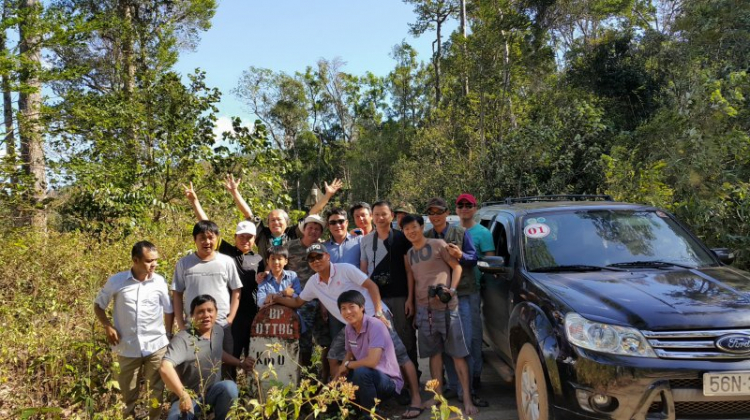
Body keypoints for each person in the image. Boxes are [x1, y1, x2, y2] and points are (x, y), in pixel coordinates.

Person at [270, 244, 424, 419]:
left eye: (319, 256)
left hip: (375, 317)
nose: (316, 261)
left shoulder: (345, 269)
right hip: (351, 325)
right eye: (311, 259)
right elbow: (298, 302)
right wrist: (276, 297)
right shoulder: (314, 282)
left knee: (400, 356)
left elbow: (372, 286)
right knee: (333, 355)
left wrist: (379, 312)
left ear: (327, 256)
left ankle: (414, 398)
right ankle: (342, 398)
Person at [401, 214, 478, 415]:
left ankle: (467, 399)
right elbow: (414, 279)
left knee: (458, 354)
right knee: (434, 355)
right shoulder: (409, 254)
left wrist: (451, 290)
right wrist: (412, 301)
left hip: (447, 308)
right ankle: (438, 398)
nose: (411, 231)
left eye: (414, 227)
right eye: (406, 229)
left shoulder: (438, 244)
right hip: (424, 309)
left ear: (421, 226)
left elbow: (457, 267)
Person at [184, 178, 263, 374]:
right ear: (235, 237)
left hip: (253, 314)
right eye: (241, 236)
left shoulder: (260, 259)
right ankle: (229, 394)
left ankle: (253, 394)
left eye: (249, 237)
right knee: (230, 358)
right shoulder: (227, 252)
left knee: (255, 357)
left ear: (254, 239)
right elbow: (207, 228)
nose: (245, 240)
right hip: (231, 316)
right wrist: (195, 202)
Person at [94, 241, 174, 420]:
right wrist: (107, 326)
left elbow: (169, 310)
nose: (154, 264)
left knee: (156, 392)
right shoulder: (117, 281)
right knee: (127, 394)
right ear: (135, 260)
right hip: (127, 347)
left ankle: (154, 417)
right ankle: (128, 417)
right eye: (149, 261)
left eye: (155, 260)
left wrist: (168, 335)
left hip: (156, 346)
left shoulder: (159, 281)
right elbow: (98, 305)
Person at [423, 197, 487, 407]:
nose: (435, 216)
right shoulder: (426, 237)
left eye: (438, 212)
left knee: (465, 343)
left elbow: (473, 258)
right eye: (431, 212)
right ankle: (452, 386)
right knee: (445, 344)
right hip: (438, 299)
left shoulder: (460, 233)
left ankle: (468, 390)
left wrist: (461, 255)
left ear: (446, 213)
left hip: (464, 294)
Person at [159, 295, 254, 420]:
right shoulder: (182, 339)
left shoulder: (218, 331)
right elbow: (165, 367)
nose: (206, 315)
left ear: (216, 313)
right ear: (192, 316)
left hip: (212, 394)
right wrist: (183, 395)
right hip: (189, 397)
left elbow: (218, 352)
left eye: (210, 310)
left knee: (229, 387)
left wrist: (240, 363)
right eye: (200, 312)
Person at [171, 221, 242, 366]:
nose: (207, 242)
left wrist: (231, 318)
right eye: (202, 238)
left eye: (211, 237)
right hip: (193, 326)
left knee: (226, 366)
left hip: (221, 324)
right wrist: (180, 322)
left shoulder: (226, 262)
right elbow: (177, 294)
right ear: (195, 240)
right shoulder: (184, 263)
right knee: (195, 366)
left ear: (217, 239)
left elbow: (236, 290)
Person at [359, 201, 418, 376]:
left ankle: (410, 380)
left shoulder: (402, 238)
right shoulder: (366, 240)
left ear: (391, 215)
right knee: (381, 339)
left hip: (400, 296)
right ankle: (391, 380)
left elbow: (409, 271)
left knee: (405, 337)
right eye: (376, 214)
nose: (380, 218)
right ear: (372, 217)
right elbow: (363, 272)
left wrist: (410, 299)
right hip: (377, 299)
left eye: (384, 214)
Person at [223, 174, 342, 258]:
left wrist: (327, 195)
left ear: (286, 222)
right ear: (268, 223)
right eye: (272, 220)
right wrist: (235, 192)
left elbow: (312, 213)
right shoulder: (262, 235)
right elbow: (248, 214)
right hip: (266, 280)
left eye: (279, 220)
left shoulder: (293, 234)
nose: (275, 222)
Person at [334, 290, 404, 420]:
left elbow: (372, 362)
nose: (348, 312)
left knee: (362, 372)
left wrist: (348, 365)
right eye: (343, 308)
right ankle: (354, 413)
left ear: (362, 308)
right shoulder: (349, 328)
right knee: (337, 390)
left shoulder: (375, 325)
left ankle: (370, 416)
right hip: (366, 378)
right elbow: (349, 353)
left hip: (387, 382)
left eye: (352, 307)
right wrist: (336, 379)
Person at [455, 193, 495, 391]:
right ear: (456, 209)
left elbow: (490, 262)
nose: (464, 209)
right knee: (456, 337)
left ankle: (475, 378)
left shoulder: (483, 233)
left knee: (473, 336)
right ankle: (456, 382)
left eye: (468, 205)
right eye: (460, 205)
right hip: (453, 291)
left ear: (475, 208)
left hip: (473, 291)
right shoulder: (452, 232)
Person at [284, 214, 329, 369]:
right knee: (303, 341)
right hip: (299, 301)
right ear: (304, 229)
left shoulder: (322, 249)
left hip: (321, 300)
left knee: (325, 340)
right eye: (310, 227)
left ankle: (324, 377)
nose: (313, 231)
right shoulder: (290, 246)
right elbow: (277, 267)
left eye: (317, 229)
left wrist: (324, 303)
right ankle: (303, 374)